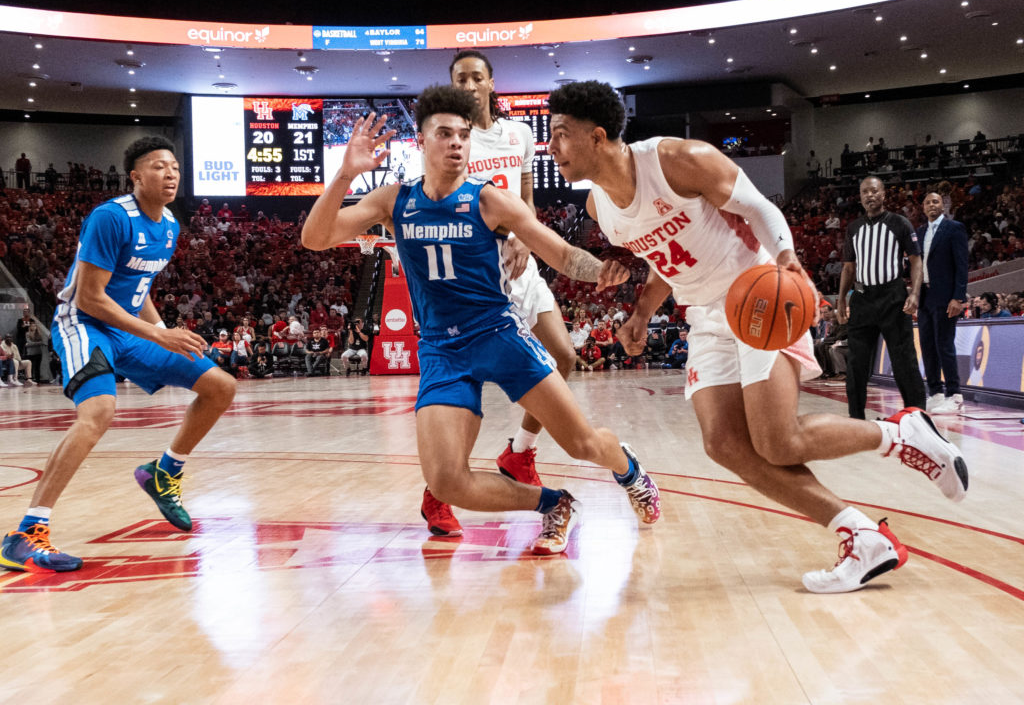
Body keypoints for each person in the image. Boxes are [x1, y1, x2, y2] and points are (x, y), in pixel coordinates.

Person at [546, 80, 967, 592]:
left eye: (560, 135)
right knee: (723, 442)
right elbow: (665, 260)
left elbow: (760, 209)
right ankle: (862, 535)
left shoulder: (680, 160)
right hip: (705, 314)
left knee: (777, 440)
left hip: (759, 295)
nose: (551, 148)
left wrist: (788, 260)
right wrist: (639, 314)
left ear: (596, 136)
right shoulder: (599, 209)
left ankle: (900, 435)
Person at [301, 86, 660, 554]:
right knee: (447, 480)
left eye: (464, 135)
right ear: (422, 141)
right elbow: (316, 238)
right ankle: (554, 504)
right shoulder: (395, 201)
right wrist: (346, 174)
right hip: (441, 350)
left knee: (583, 444)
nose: (456, 143)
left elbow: (562, 254)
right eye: (444, 133)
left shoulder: (488, 201)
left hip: (498, 334)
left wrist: (602, 271)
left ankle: (629, 470)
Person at [0, 137, 236, 573]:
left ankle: (164, 473)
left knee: (220, 386)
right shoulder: (110, 217)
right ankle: (24, 535)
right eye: (159, 166)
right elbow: (90, 298)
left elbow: (138, 288)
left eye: (175, 168)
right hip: (84, 324)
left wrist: (163, 333)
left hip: (129, 330)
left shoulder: (168, 225)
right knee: (98, 413)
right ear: (136, 176)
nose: (170, 174)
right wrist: (156, 336)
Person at [427, 49, 579, 533]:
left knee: (566, 357)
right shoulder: (451, 140)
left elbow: (526, 202)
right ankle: (439, 492)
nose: (469, 85)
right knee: (464, 394)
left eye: (476, 77)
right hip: (475, 275)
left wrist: (521, 236)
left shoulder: (519, 135)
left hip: (520, 263)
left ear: (492, 82)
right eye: (460, 78)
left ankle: (519, 454)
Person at [837, 176, 926, 420]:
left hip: (892, 298)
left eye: (874, 191)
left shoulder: (900, 223)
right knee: (856, 363)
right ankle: (856, 419)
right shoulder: (854, 228)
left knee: (903, 360)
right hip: (863, 299)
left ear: (884, 194)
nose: (869, 195)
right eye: (865, 192)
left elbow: (916, 260)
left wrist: (915, 292)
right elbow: (848, 267)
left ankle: (916, 417)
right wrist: (842, 299)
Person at [916, 187, 969, 415]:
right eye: (928, 203)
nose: (932, 205)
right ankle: (935, 393)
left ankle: (954, 395)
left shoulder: (954, 228)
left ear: (943, 205)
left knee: (944, 345)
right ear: (923, 207)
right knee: (927, 346)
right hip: (925, 296)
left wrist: (958, 296)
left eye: (936, 202)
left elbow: (962, 264)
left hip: (946, 296)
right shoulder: (918, 232)